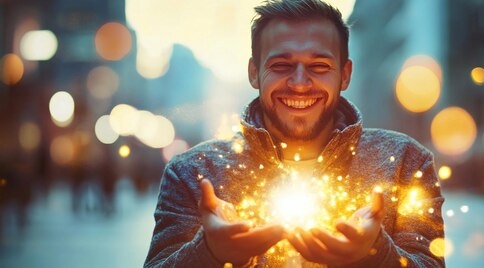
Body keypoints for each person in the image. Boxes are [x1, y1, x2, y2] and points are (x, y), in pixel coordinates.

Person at [144, 0, 445, 267]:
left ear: (345, 74)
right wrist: (209, 251)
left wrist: (374, 254)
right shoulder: (192, 174)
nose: (300, 83)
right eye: (281, 65)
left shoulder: (404, 164)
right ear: (253, 72)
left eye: (319, 65)